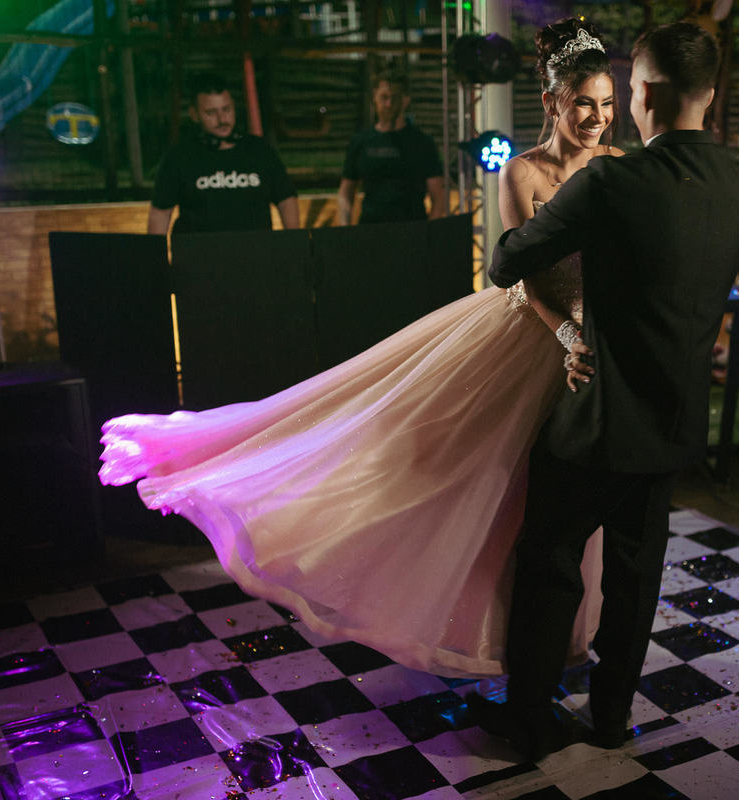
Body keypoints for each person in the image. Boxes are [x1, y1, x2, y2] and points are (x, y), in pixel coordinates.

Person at [98, 19, 621, 678]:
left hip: (595, 348)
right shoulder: (522, 173)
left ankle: (568, 635)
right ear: (551, 103)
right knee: (480, 487)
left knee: (575, 500)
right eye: (584, 103)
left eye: (607, 104)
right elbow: (523, 273)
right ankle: (482, 626)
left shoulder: (623, 170)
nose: (598, 117)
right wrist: (568, 329)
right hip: (530, 335)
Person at [473, 22, 739, 760]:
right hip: (672, 423)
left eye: (628, 90)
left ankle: (532, 718)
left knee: (550, 561)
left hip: (596, 417)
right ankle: (608, 718)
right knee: (636, 580)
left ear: (648, 93)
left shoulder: (611, 180)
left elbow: (508, 261)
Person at [148, 73, 300, 236]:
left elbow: (286, 199)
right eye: (211, 113)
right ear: (194, 114)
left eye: (226, 109)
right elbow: (161, 212)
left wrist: (295, 244)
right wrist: (156, 258)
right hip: (199, 256)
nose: (222, 119)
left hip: (256, 254)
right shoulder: (180, 156)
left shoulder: (259, 150)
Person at [337, 72, 447, 225]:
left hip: (412, 232)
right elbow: (346, 191)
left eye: (394, 98)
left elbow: (438, 195)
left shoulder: (422, 142)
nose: (388, 104)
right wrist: (345, 228)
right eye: (384, 97)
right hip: (371, 230)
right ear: (374, 97)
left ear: (405, 100)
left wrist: (428, 234)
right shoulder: (360, 142)